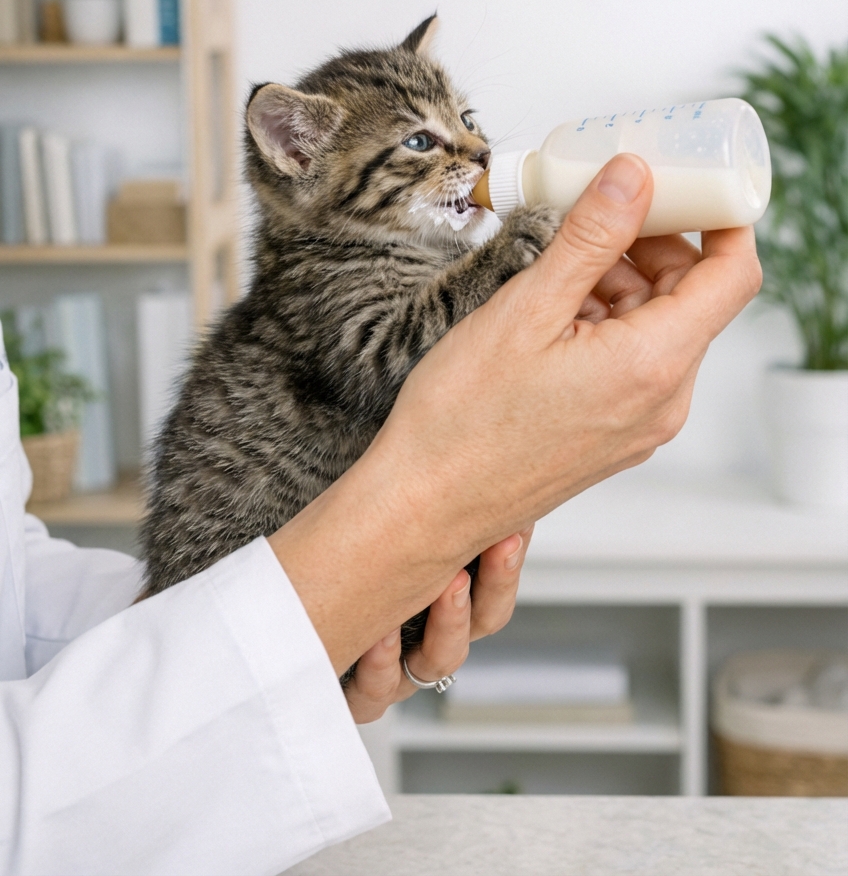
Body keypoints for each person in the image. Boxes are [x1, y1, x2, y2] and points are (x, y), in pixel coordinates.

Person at [0, 154, 761, 876]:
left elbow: (13, 580)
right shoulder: (331, 279)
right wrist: (421, 523)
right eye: (424, 141)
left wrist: (283, 629)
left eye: (464, 124)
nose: (472, 150)